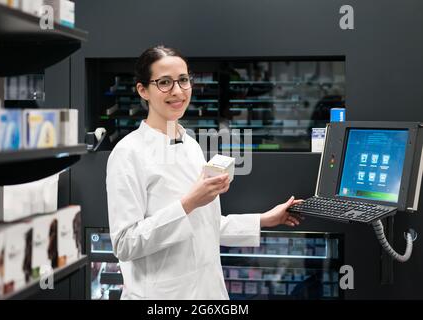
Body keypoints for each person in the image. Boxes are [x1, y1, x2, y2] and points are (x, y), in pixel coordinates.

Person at [106, 45, 303, 300]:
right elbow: (124, 243)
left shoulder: (190, 145)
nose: (177, 91)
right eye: (164, 82)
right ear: (143, 90)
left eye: (183, 80)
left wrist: (265, 219)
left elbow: (207, 225)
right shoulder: (128, 153)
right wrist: (189, 203)